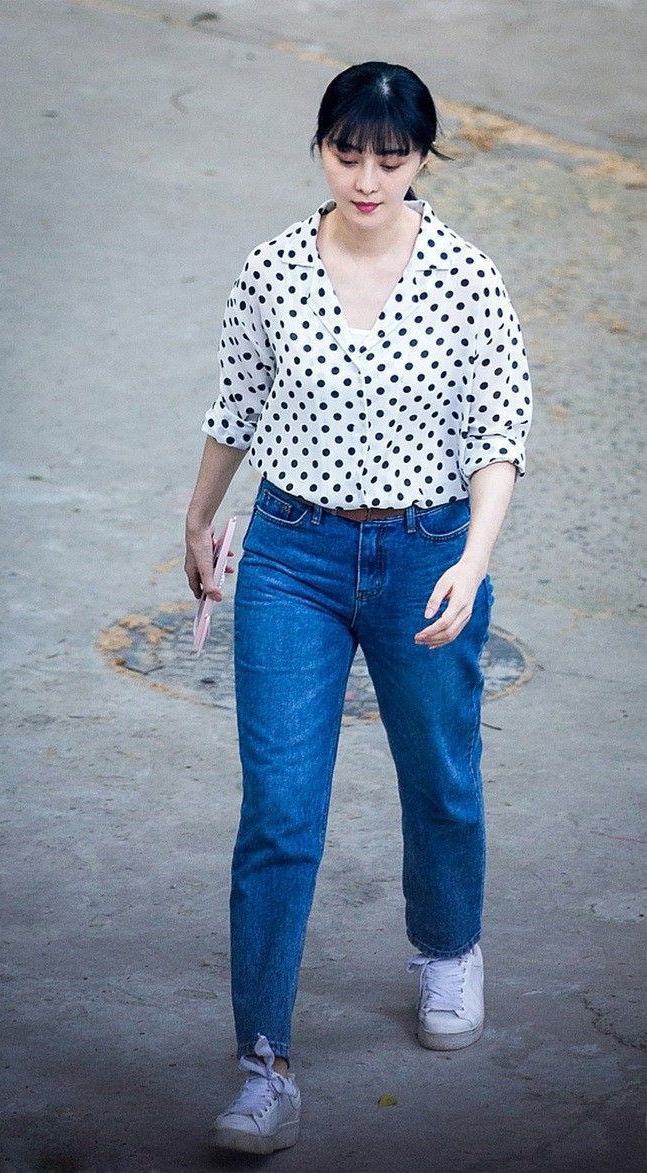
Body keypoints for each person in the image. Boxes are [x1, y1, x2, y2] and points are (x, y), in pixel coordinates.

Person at [184, 60, 533, 1156]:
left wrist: (473, 560)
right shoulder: (274, 267)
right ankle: (264, 1065)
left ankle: (448, 949)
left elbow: (499, 434)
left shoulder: (467, 278)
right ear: (322, 148)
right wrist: (198, 517)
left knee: (440, 774)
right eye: (348, 154)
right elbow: (236, 403)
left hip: (428, 552)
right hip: (292, 553)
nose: (368, 178)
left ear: (422, 157)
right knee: (280, 810)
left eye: (391, 157)